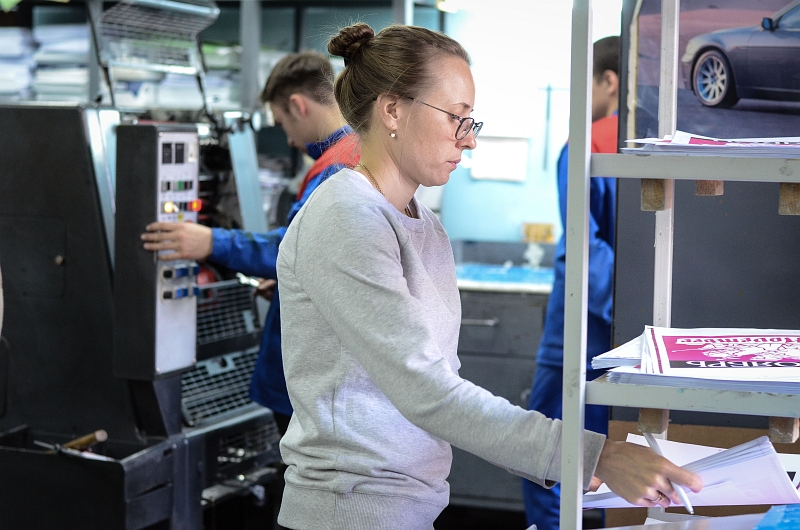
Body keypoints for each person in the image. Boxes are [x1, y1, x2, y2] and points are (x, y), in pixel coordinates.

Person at [275, 23, 700, 530]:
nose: (470, 140)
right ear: (392, 110)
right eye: (455, 118)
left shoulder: (423, 224)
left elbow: (442, 387)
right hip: (345, 512)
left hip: (408, 509)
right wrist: (594, 456)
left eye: (470, 121)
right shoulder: (346, 216)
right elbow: (429, 392)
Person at [140, 51, 360, 434]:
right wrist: (297, 279)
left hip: (308, 377)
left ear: (298, 105)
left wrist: (211, 242)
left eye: (281, 122)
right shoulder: (353, 153)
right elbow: (326, 253)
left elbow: (292, 248)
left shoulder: (336, 168)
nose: (288, 139)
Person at [522, 35, 622, 530]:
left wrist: (619, 309)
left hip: (582, 332)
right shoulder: (664, 146)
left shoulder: (589, 142)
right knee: (616, 461)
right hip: (638, 342)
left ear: (609, 81)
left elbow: (585, 247)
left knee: (549, 457)